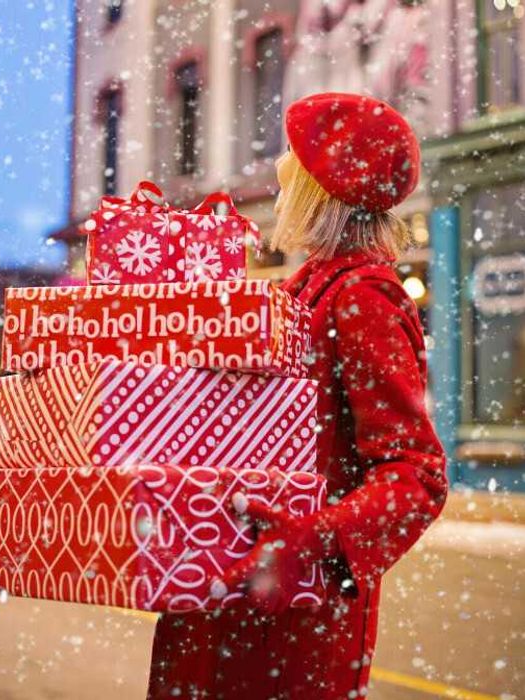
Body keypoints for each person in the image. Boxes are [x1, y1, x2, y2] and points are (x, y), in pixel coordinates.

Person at [146, 93, 447, 699]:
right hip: (226, 590)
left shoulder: (361, 298)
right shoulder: (302, 292)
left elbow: (417, 475)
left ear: (320, 191)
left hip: (289, 625)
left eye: (292, 170)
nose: (281, 184)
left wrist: (311, 542)